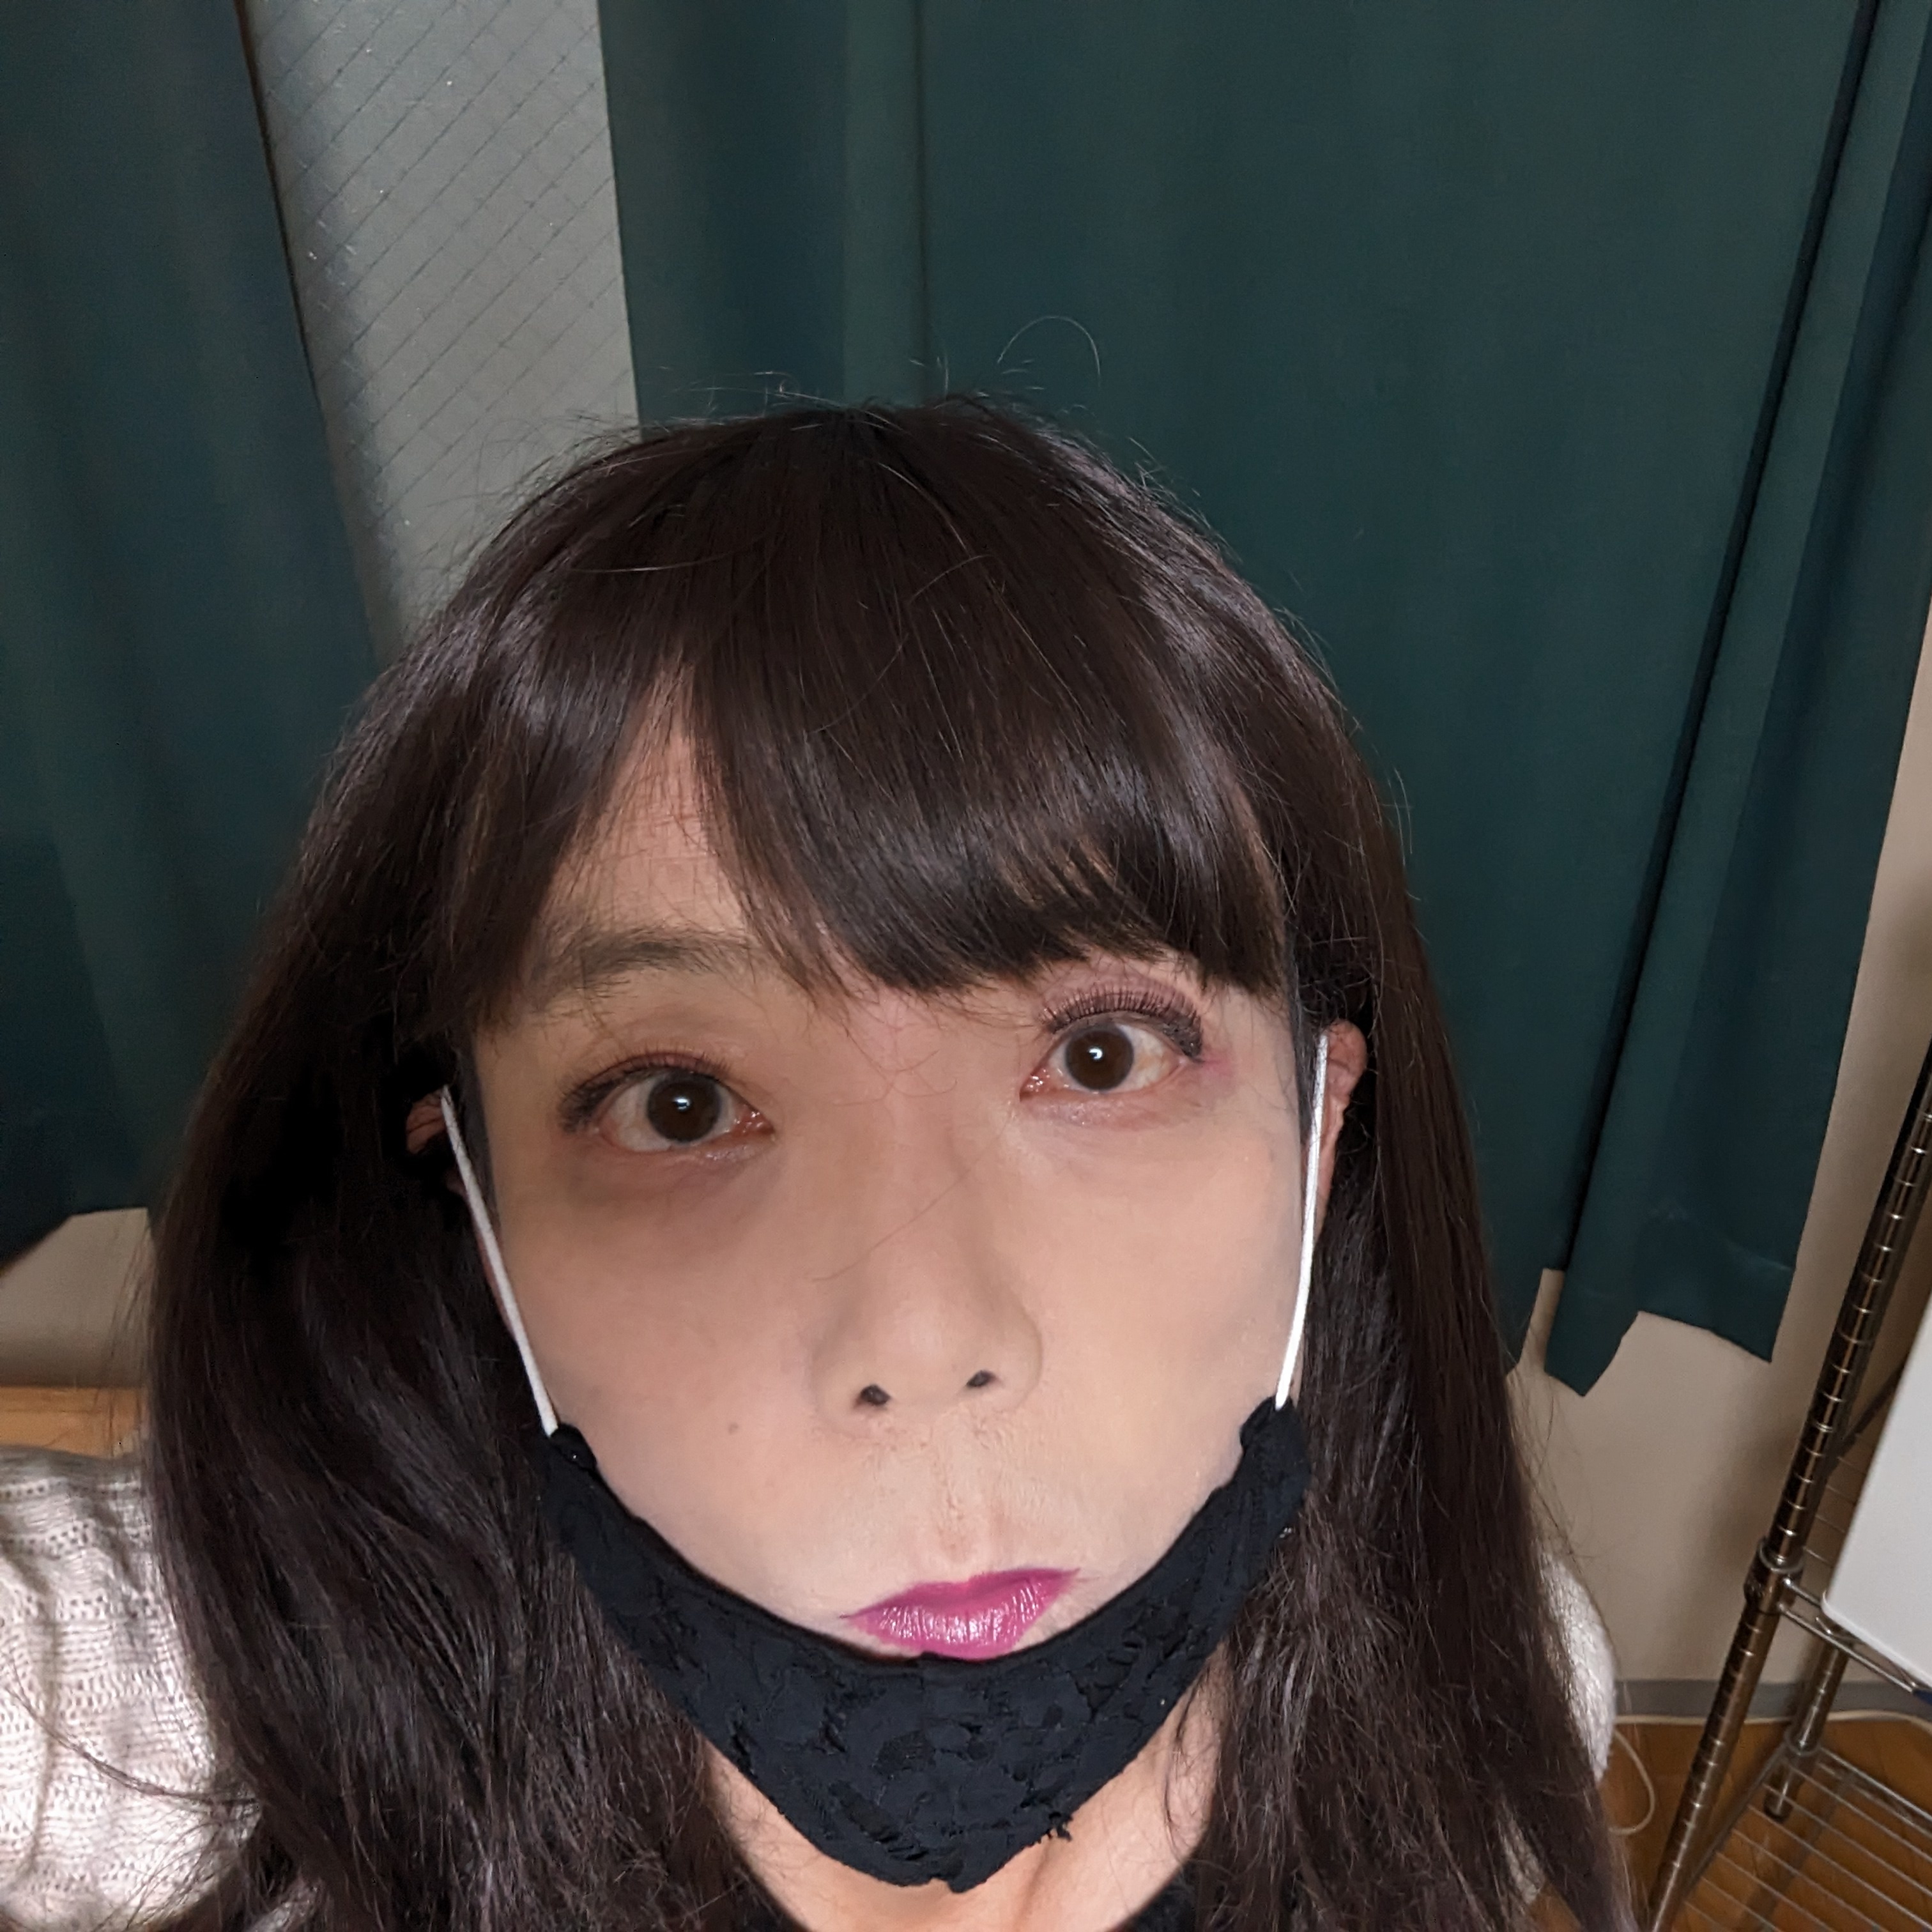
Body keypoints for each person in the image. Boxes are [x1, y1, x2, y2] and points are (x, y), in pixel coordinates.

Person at [0, 400, 1626, 1929]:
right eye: (680, 1104)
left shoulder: (1498, 1691)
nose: (922, 1345)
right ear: (466, 1194)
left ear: (1320, 1125)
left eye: (1101, 1056)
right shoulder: (148, 1723)